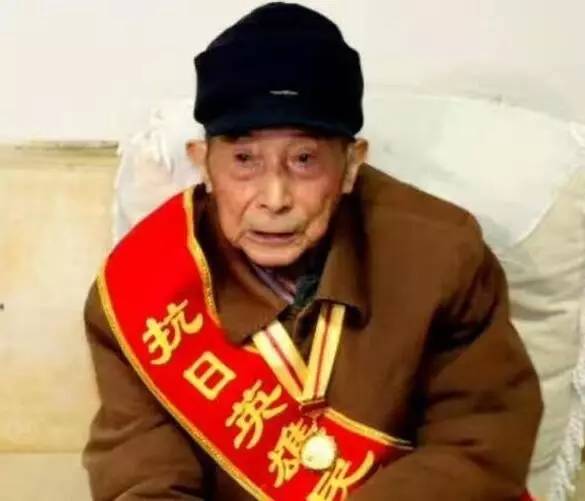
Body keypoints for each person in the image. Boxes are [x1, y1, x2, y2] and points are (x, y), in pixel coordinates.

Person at [82, 3, 542, 500]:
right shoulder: (143, 286)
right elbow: (146, 477)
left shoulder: (442, 257)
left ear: (351, 166)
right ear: (204, 165)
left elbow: (478, 444)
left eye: (304, 160)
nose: (274, 198)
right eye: (244, 160)